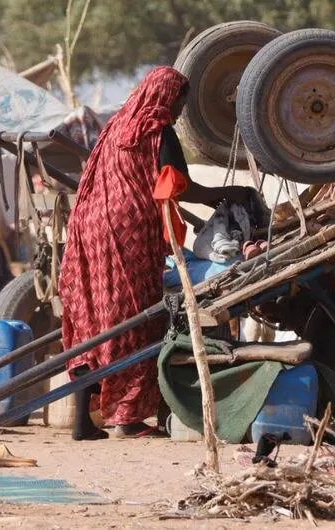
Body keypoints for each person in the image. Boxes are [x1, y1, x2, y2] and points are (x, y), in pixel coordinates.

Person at [59, 66, 258, 440]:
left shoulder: (117, 126)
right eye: (179, 103)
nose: (179, 112)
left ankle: (83, 421)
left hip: (87, 227)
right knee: (133, 318)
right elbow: (178, 188)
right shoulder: (157, 130)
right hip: (127, 232)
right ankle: (128, 418)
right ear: (168, 98)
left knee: (92, 319)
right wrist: (229, 192)